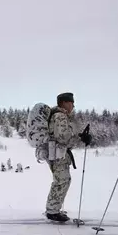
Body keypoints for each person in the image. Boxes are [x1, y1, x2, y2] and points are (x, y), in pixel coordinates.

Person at [45, 92, 92, 222]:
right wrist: (78, 137)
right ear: (64, 103)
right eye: (71, 103)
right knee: (62, 181)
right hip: (58, 154)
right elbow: (63, 137)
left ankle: (54, 208)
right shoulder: (60, 116)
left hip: (59, 154)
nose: (73, 105)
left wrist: (79, 136)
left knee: (62, 180)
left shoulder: (60, 116)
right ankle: (52, 211)